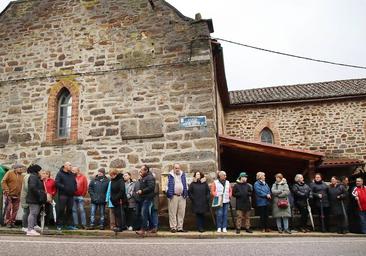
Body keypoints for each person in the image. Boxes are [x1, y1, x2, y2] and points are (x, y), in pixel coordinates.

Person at [55, 162, 77, 231]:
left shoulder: (71, 174)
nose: (71, 166)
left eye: (71, 165)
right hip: (63, 195)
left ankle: (69, 225)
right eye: (69, 165)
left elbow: (74, 182)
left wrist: (74, 188)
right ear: (65, 166)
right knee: (61, 209)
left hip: (71, 195)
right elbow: (57, 183)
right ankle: (59, 225)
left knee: (70, 210)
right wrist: (64, 187)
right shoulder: (60, 174)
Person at [166, 163, 188, 233]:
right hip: (173, 196)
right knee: (172, 212)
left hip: (182, 196)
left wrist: (185, 191)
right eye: (176, 168)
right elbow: (166, 186)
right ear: (173, 169)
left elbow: (185, 184)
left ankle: (180, 227)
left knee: (181, 212)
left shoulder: (183, 175)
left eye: (178, 168)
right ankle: (173, 227)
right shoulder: (170, 176)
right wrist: (168, 192)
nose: (177, 169)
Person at [1, 163, 24, 228]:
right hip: (9, 194)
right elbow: (3, 181)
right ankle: (7, 222)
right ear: (16, 168)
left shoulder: (22, 176)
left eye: (21, 168)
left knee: (15, 209)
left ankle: (12, 222)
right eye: (20, 168)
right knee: (8, 208)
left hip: (17, 195)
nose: (21, 169)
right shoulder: (9, 173)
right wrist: (6, 190)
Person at [26, 164, 47, 236]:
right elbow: (32, 188)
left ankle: (32, 228)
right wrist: (40, 194)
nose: (41, 171)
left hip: (35, 199)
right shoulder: (33, 177)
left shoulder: (36, 177)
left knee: (34, 214)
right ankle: (30, 229)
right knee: (33, 213)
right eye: (40, 170)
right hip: (33, 199)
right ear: (37, 171)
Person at [135, 165, 156, 237]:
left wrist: (142, 191)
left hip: (148, 198)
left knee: (143, 213)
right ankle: (153, 227)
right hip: (143, 197)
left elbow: (151, 187)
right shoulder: (144, 177)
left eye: (142, 170)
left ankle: (143, 230)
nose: (140, 171)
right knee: (146, 213)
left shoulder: (150, 177)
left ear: (146, 170)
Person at [20, 167, 31, 232]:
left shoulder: (26, 176)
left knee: (28, 212)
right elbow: (27, 187)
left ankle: (27, 226)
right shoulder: (27, 176)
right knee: (26, 212)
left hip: (26, 196)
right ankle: (24, 226)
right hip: (26, 197)